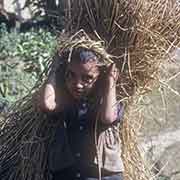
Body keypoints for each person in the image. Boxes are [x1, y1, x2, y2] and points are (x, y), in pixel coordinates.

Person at [39, 47, 124, 180]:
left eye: (87, 78)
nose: (78, 84)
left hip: (103, 176)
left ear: (100, 77)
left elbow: (108, 117)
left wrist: (110, 81)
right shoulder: (65, 101)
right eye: (71, 75)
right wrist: (55, 69)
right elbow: (47, 104)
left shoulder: (107, 100)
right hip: (69, 175)